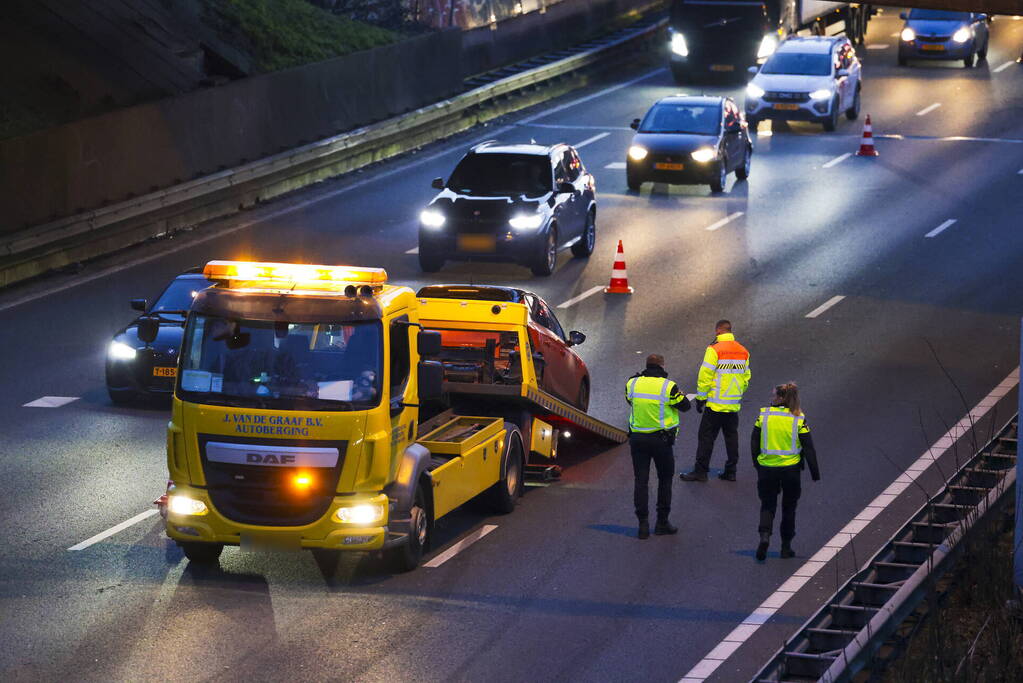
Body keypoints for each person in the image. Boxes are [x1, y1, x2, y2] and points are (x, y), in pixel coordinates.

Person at [752, 382, 820, 561]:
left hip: (767, 469)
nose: (771, 398)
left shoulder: (764, 414)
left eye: (774, 395)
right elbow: (808, 446)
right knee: (789, 508)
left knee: (767, 505)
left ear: (781, 398)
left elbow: (754, 442)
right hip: (791, 471)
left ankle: (765, 536)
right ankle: (785, 547)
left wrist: (757, 465)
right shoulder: (798, 418)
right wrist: (815, 472)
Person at [625, 354, 691, 539]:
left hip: (638, 439)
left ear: (646, 365)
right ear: (662, 366)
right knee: (665, 480)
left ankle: (642, 525)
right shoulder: (668, 386)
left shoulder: (633, 383)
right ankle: (662, 523)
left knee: (641, 481)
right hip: (661, 441)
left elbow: (630, 401)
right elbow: (685, 406)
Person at [681, 320, 751, 482]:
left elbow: (705, 375)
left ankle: (700, 472)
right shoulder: (743, 351)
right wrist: (736, 393)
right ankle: (731, 471)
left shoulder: (714, 349)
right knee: (731, 438)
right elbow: (746, 378)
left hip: (715, 405)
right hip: (733, 405)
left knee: (706, 438)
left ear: (718, 331)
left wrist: (701, 398)